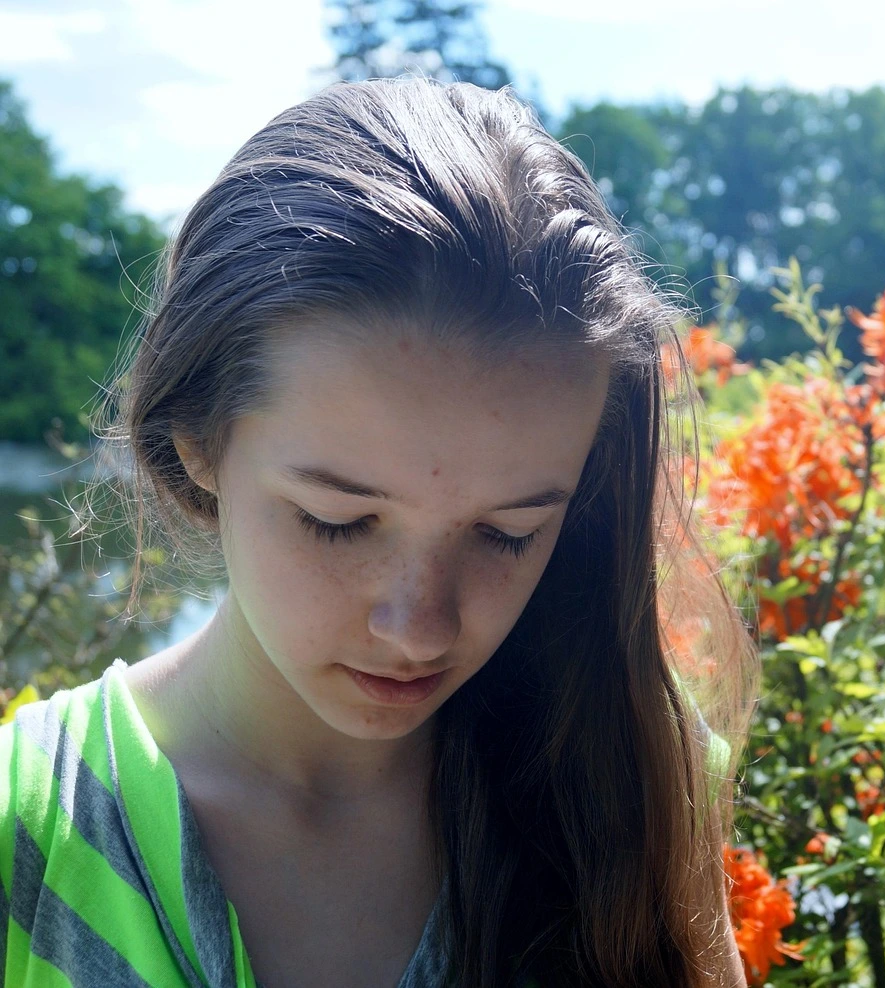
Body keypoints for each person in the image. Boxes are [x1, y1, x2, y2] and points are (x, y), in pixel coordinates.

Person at [0, 77, 758, 987]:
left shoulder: (625, 783)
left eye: (509, 533)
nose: (419, 628)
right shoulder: (26, 826)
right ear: (198, 438)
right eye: (340, 522)